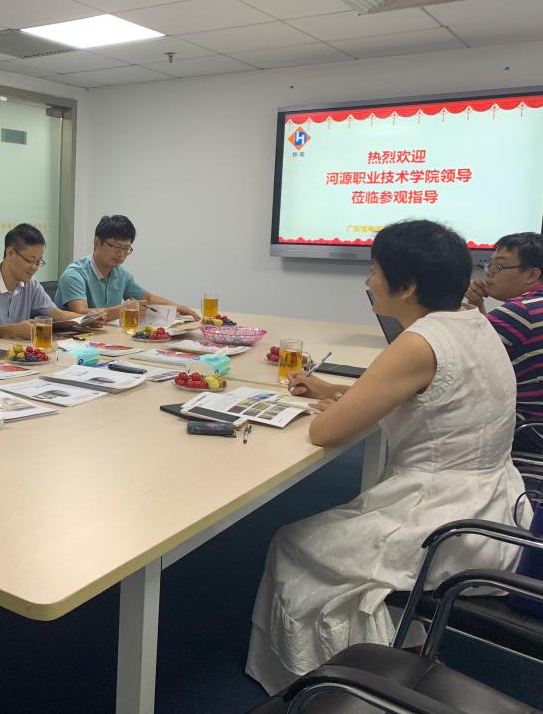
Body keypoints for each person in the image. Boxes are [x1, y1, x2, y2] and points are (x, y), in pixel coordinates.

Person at [246, 220, 528, 694]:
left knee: (294, 544)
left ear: (408, 285)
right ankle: (404, 646)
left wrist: (338, 408)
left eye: (375, 270)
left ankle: (338, 682)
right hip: (497, 503)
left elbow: (325, 432)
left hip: (444, 521)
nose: (368, 281)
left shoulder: (418, 342)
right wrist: (340, 392)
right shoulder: (472, 322)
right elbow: (431, 398)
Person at [465, 232, 543, 451]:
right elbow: (491, 345)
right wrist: (476, 305)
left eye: (498, 266)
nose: (489, 273)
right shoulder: (534, 305)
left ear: (532, 274)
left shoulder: (521, 311)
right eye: (489, 265)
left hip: (528, 431)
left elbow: (462, 358)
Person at [0, 223, 99, 340]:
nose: (34, 267)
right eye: (30, 260)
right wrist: (12, 330)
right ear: (10, 253)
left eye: (39, 262)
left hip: (20, 352)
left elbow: (57, 314)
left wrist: (87, 318)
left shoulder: (31, 284)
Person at [54, 215, 200, 321]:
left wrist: (178, 308)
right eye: (116, 247)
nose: (121, 254)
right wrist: (122, 310)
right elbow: (80, 314)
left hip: (106, 337)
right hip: (74, 342)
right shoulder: (74, 275)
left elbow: (147, 298)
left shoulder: (121, 274)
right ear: (97, 242)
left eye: (126, 248)